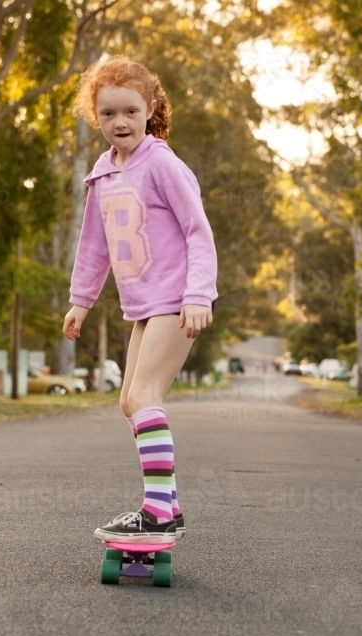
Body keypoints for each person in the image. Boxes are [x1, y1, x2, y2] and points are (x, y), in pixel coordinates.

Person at [62, 56, 218, 544]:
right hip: (144, 306)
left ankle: (156, 512)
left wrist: (198, 294)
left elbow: (198, 231)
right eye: (108, 114)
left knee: (145, 395)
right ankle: (168, 505)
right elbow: (94, 244)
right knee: (130, 402)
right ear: (96, 116)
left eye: (130, 111)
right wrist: (80, 301)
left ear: (149, 109)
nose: (120, 123)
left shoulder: (163, 163)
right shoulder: (103, 171)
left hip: (176, 299)